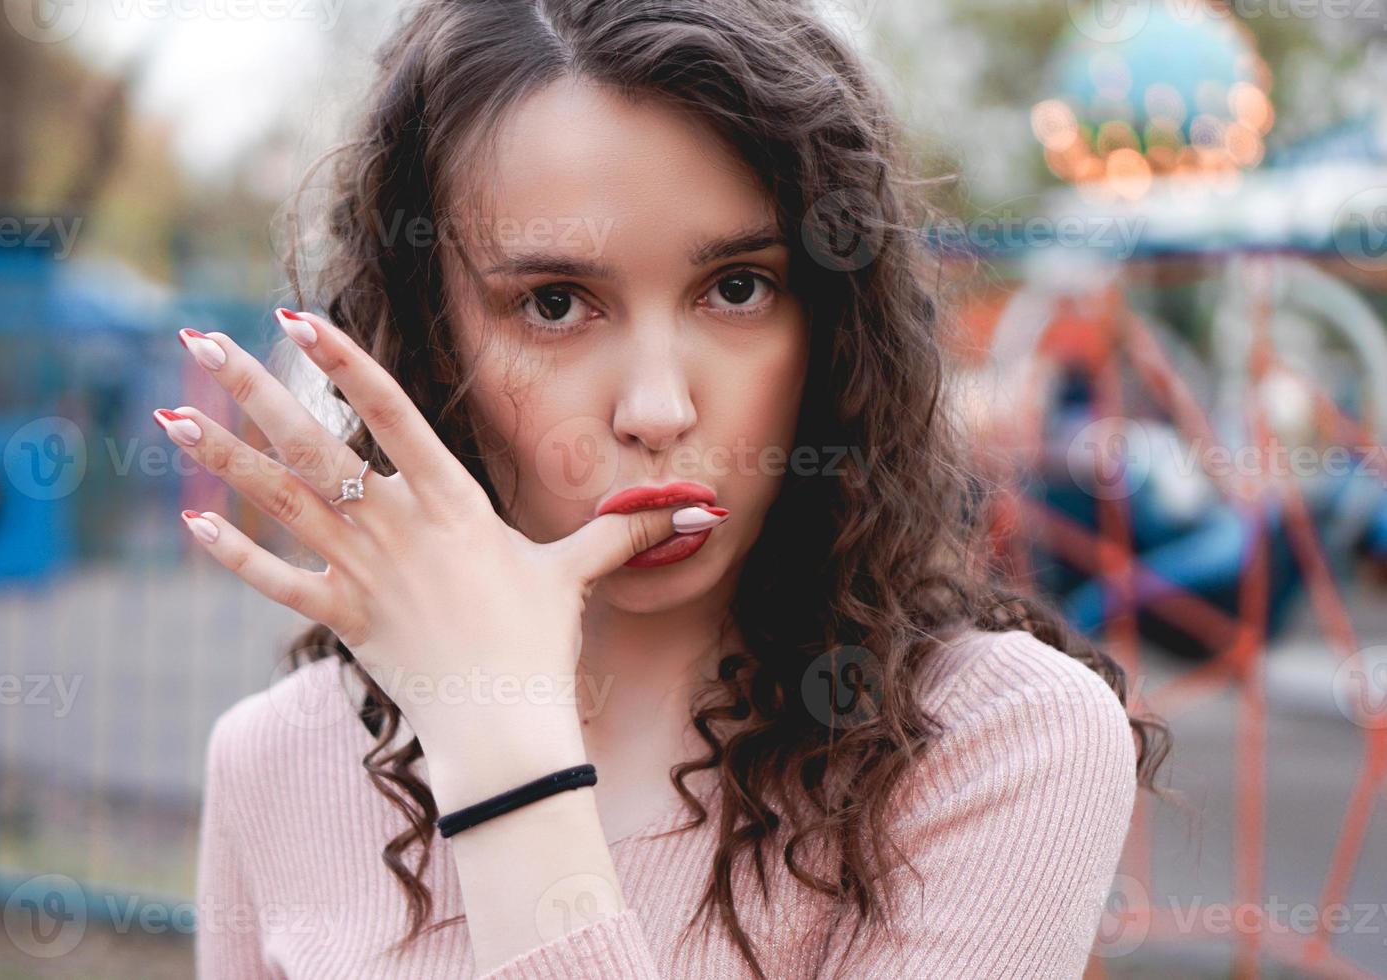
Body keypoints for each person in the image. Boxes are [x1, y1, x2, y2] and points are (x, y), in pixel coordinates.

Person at [159, 1, 1171, 976]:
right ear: (432, 345)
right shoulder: (275, 760)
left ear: (828, 325)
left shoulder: (997, 743)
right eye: (555, 303)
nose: (655, 407)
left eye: (736, 287)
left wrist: (506, 765)